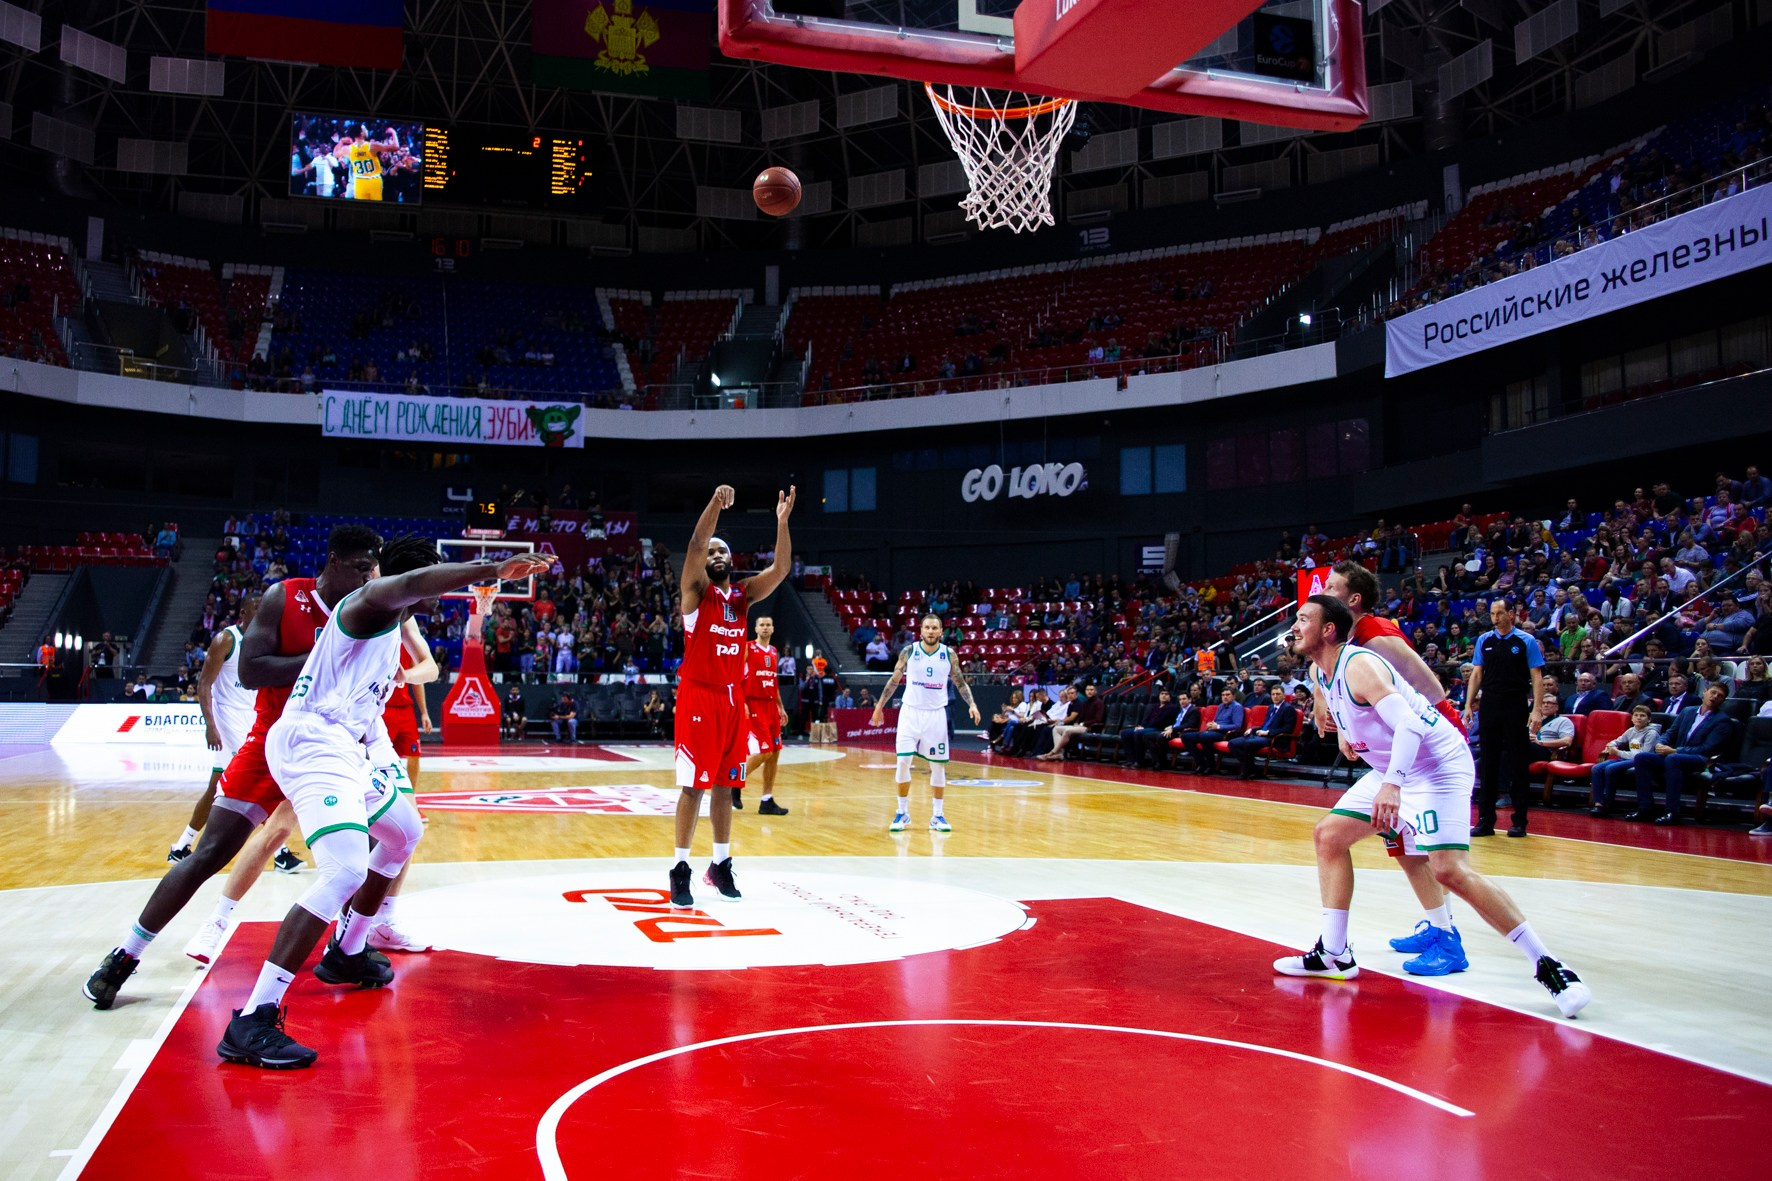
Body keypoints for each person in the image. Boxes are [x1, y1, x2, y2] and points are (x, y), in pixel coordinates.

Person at [219, 541, 552, 1068]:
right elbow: (414, 583)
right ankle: (253, 1018)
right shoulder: (370, 602)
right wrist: (490, 568)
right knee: (345, 871)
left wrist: (382, 762)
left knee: (404, 831)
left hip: (348, 744)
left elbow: (369, 702)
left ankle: (348, 951)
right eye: (434, 577)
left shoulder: (395, 627)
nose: (439, 591)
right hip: (311, 742)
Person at [83, 527, 381, 1011]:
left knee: (368, 845)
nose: (367, 577)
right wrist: (320, 659)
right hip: (269, 740)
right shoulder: (285, 597)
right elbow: (250, 670)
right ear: (333, 560)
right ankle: (125, 955)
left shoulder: (366, 612)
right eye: (359, 567)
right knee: (210, 853)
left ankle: (349, 948)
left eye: (372, 570)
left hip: (329, 750)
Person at [1274, 596, 1592, 1018]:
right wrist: (1347, 733)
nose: (1294, 627)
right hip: (1394, 766)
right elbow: (1348, 707)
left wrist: (1392, 785)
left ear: (1328, 630)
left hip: (1436, 765)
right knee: (1329, 836)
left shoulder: (1359, 665)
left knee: (1448, 870)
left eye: (1302, 619)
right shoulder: (1320, 670)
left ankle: (1550, 966)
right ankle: (1334, 953)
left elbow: (1409, 724)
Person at [668, 484, 796, 908]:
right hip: (698, 695)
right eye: (712, 552)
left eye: (723, 550)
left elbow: (781, 568)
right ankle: (680, 868)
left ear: (732, 559)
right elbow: (696, 542)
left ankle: (719, 864)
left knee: (726, 786)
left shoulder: (742, 596)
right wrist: (715, 504)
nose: (716, 553)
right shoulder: (695, 591)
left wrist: (781, 522)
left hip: (730, 699)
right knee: (693, 787)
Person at [170, 594, 261, 863]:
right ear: (243, 614)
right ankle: (280, 851)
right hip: (228, 721)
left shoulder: (264, 640)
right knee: (260, 780)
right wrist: (210, 725)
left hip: (252, 720)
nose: (262, 615)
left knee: (215, 788)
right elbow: (204, 684)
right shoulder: (226, 640)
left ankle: (181, 846)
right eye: (257, 610)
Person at [872, 612, 981, 832]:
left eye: (934, 628)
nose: (931, 631)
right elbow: (894, 680)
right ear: (921, 631)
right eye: (927, 627)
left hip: (935, 715)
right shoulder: (909, 651)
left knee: (938, 766)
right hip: (910, 713)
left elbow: (960, 682)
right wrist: (879, 707)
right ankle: (902, 812)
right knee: (903, 761)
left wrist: (972, 704)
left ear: (941, 632)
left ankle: (937, 816)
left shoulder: (949, 654)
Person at [1465, 599, 1546, 838]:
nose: (1496, 617)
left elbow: (1537, 676)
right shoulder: (1484, 640)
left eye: (1500, 613)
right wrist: (1468, 704)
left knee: (1518, 762)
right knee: (1488, 763)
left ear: (1511, 614)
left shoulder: (1526, 641)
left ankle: (1519, 821)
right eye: (1493, 613)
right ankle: (1485, 821)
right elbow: (1476, 674)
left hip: (1515, 704)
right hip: (1490, 704)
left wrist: (1537, 709)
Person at [1630, 684, 1737, 825]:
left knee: (1673, 759)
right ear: (1704, 692)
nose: (1715, 697)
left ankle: (1672, 811)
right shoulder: (1687, 711)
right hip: (1676, 755)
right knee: (1642, 757)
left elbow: (1707, 749)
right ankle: (1645, 807)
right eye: (1713, 692)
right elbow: (1670, 733)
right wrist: (1660, 743)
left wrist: (1675, 751)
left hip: (1702, 760)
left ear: (1723, 701)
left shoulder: (1722, 720)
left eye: (1720, 696)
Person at [737, 615, 790, 816]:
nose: (765, 628)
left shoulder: (774, 651)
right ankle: (734, 781)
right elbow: (735, 675)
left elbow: (772, 682)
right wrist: (741, 702)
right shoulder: (748, 647)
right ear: (756, 629)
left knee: (775, 753)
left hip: (770, 706)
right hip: (754, 704)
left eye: (768, 625)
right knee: (763, 752)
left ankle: (766, 800)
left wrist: (781, 707)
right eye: (762, 625)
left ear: (773, 628)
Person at [1588, 704, 1660, 817]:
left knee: (1610, 768)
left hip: (1641, 762)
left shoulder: (1651, 733)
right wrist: (1610, 745)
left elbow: (1642, 755)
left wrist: (1618, 752)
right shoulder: (1631, 730)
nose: (1639, 718)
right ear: (1632, 718)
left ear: (1649, 719)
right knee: (1596, 768)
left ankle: (1608, 804)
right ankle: (1598, 804)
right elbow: (1618, 740)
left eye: (1642, 715)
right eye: (1636, 715)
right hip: (1627, 758)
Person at [1223, 683, 1297, 779]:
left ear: (1284, 696)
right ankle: (1253, 769)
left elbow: (1287, 728)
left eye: (1278, 694)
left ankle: (1246, 771)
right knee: (1233, 743)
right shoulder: (1271, 707)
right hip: (1261, 735)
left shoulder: (1288, 708)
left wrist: (1268, 732)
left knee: (1249, 743)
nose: (1275, 696)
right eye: (1273, 694)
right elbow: (1265, 725)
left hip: (1275, 738)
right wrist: (1252, 729)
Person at [1180, 686, 1244, 774]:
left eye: (1228, 695)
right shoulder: (1221, 706)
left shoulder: (1237, 707)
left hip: (1225, 733)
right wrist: (1211, 724)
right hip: (1213, 731)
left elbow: (1237, 726)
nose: (1225, 697)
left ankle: (1211, 766)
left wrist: (1218, 726)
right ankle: (1201, 763)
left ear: (1233, 696)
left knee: (1204, 736)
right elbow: (1216, 720)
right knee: (1186, 737)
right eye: (1223, 695)